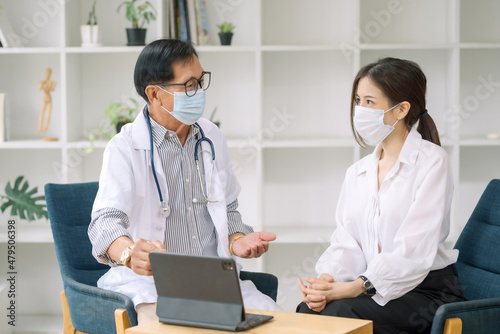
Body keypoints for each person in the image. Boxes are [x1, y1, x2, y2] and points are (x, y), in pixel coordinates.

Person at [88, 39, 281, 325]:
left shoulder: (211, 137)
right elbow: (104, 223)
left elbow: (227, 208)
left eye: (201, 82)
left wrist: (238, 240)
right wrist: (129, 253)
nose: (199, 92)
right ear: (154, 94)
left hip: (213, 279)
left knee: (280, 323)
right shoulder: (124, 147)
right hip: (150, 285)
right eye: (189, 85)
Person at [296, 57, 465, 334]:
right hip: (371, 286)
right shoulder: (358, 172)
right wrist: (328, 282)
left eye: (370, 102)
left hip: (426, 293)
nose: (360, 110)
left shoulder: (433, 162)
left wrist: (353, 288)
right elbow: (347, 242)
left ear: (401, 110)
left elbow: (413, 249)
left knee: (340, 313)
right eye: (358, 100)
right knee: (308, 310)